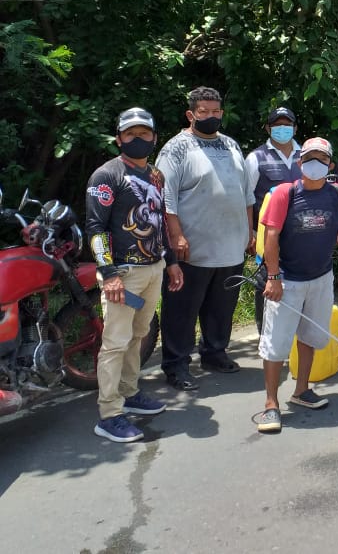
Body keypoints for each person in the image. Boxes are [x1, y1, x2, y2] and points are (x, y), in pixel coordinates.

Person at [254, 137, 338, 433]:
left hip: (321, 278)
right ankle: (271, 404)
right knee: (276, 344)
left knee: (310, 336)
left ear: (330, 164)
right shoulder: (285, 193)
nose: (315, 163)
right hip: (287, 280)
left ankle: (301, 390)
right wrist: (273, 277)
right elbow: (271, 237)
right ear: (300, 161)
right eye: (309, 158)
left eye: (321, 159)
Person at [85, 107, 185, 442]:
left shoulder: (156, 175)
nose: (138, 139)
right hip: (123, 273)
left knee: (138, 335)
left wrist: (171, 262)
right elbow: (96, 228)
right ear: (119, 139)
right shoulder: (106, 176)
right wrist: (109, 273)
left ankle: (129, 391)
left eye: (144, 133)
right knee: (115, 343)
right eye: (130, 134)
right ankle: (109, 413)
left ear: (154, 137)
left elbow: (159, 222)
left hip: (153, 268)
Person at [156, 86, 254, 391]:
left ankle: (214, 352)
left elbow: (246, 194)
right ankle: (176, 364)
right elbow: (165, 197)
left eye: (216, 112)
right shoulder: (176, 148)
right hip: (192, 247)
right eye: (204, 112)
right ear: (191, 114)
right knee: (182, 310)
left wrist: (249, 231)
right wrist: (176, 235)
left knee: (222, 307)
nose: (211, 116)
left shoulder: (231, 145)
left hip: (231, 244)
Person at [244, 106, 302, 333]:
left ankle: (295, 337)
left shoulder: (306, 155)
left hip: (300, 236)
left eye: (287, 125)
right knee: (266, 284)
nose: (282, 129)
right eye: (277, 125)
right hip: (267, 236)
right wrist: (249, 233)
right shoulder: (256, 158)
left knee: (298, 285)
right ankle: (265, 336)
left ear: (295, 128)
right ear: (268, 128)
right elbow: (246, 198)